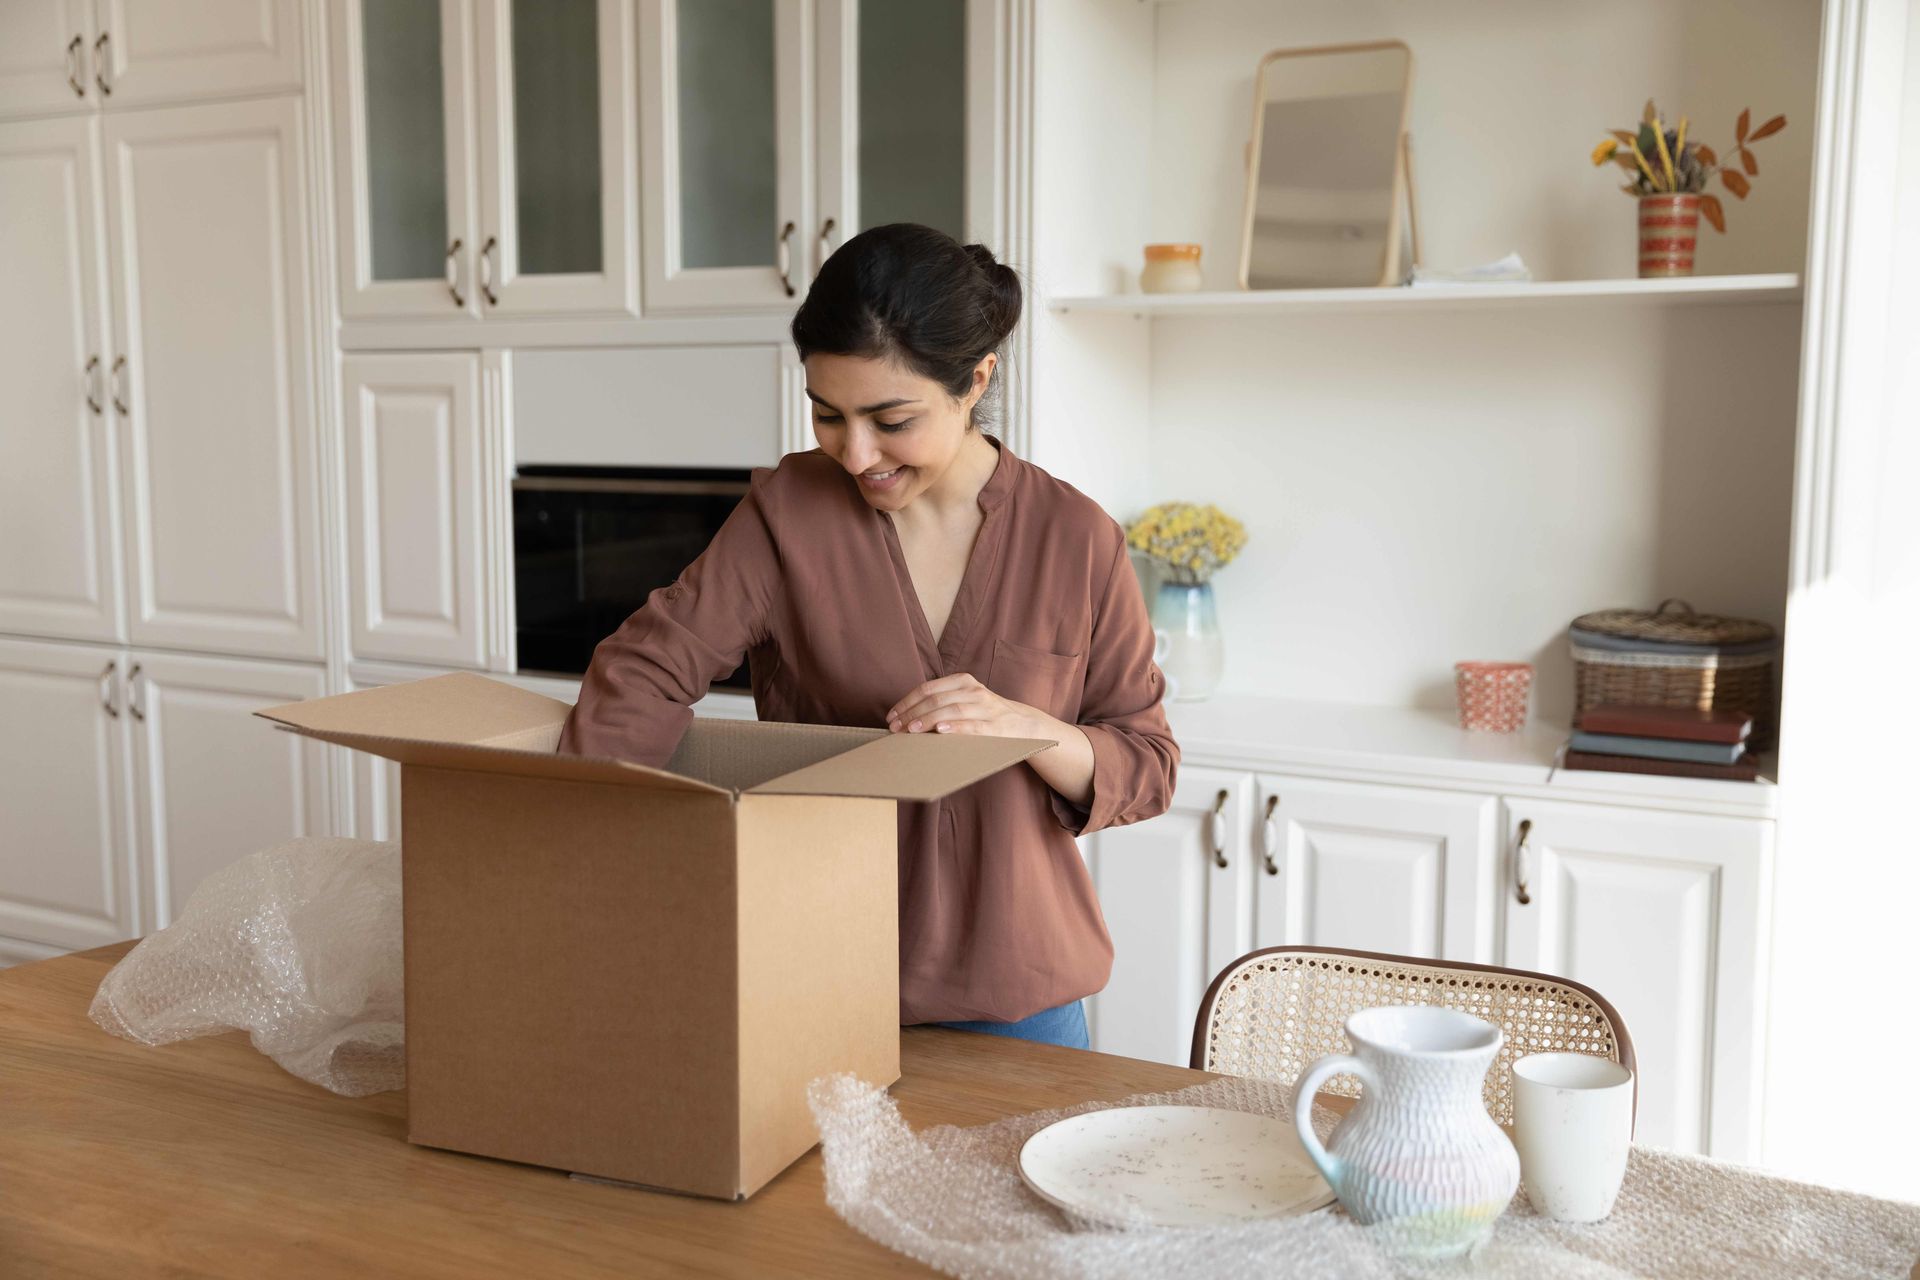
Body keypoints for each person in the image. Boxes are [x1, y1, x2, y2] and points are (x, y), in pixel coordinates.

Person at [557, 223, 1178, 1049]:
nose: (855, 454)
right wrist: (594, 865)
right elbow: (643, 674)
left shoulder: (1078, 537)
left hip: (1023, 998)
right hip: (816, 976)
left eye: (891, 419)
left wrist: (1031, 729)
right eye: (827, 415)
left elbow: (1148, 764)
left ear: (974, 381)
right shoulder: (788, 515)